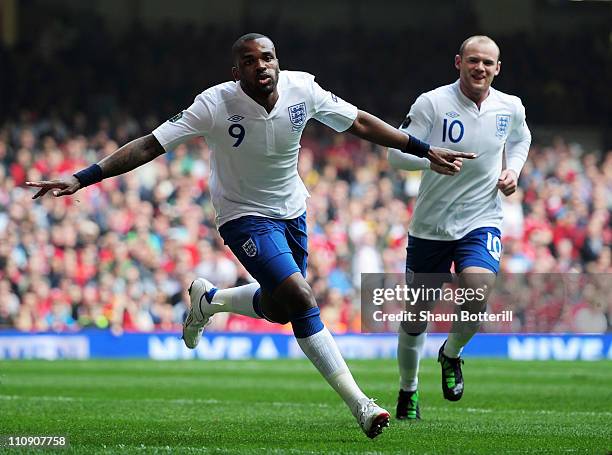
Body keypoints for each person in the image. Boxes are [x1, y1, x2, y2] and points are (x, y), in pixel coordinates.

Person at [26, 33, 473, 438]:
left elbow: (357, 122)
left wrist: (421, 148)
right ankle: (361, 405)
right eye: (250, 60)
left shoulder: (303, 89)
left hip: (293, 211)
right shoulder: (214, 104)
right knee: (300, 298)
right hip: (242, 216)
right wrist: (82, 178)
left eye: (269, 57)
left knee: (281, 308)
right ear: (235, 72)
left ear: (278, 62)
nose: (262, 65)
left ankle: (211, 301)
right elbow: (150, 143)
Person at [388, 35, 531, 420]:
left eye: (487, 62)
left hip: (481, 218)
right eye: (473, 60)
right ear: (458, 62)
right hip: (431, 226)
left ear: (497, 68)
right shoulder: (432, 103)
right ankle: (408, 390)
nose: (480, 68)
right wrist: (428, 160)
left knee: (478, 289)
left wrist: (513, 171)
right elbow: (395, 154)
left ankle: (451, 354)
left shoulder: (510, 107)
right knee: (416, 315)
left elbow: (521, 139)